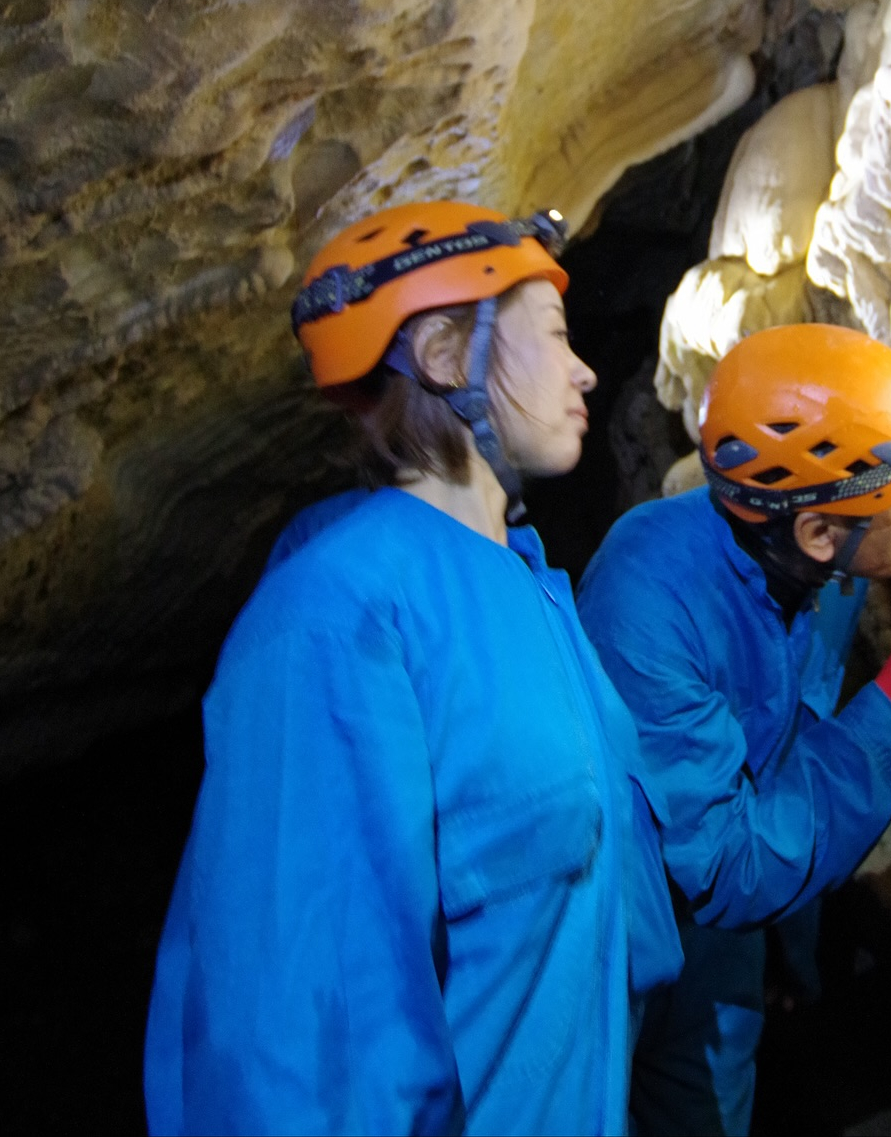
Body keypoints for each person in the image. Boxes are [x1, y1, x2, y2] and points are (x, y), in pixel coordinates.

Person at [145, 200, 682, 1137]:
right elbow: (307, 1053)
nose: (585, 366)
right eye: (555, 335)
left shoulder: (532, 591)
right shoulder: (333, 615)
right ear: (442, 355)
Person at [576, 323, 891, 1136]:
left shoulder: (819, 570)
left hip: (721, 936)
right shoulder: (650, 601)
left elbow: (788, 759)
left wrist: (793, 954)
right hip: (624, 939)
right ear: (817, 530)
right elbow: (731, 864)